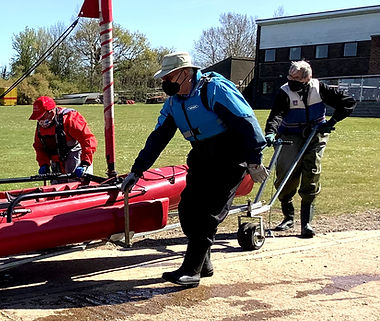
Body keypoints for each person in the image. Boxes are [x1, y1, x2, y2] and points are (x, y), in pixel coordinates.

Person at [121, 51, 267, 287]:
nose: (165, 83)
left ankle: (191, 270)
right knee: (188, 209)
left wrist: (254, 160)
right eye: (163, 79)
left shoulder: (215, 89)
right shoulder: (174, 103)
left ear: (186, 73)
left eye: (169, 77)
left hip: (230, 155)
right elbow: (158, 138)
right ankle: (203, 263)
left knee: (208, 214)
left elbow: (246, 122)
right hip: (201, 156)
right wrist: (137, 171)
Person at [264, 60, 355, 239]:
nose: (291, 80)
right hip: (289, 134)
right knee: (285, 172)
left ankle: (306, 223)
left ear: (307, 78)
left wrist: (331, 123)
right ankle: (288, 217)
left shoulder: (319, 88)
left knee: (312, 171)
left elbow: (347, 102)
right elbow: (276, 114)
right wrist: (271, 132)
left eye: (296, 78)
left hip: (315, 133)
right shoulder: (284, 92)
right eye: (290, 76)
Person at [30, 96, 97, 178]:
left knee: (76, 186)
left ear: (51, 112)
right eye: (38, 118)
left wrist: (85, 163)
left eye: (42, 117)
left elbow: (87, 139)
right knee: (57, 187)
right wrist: (44, 164)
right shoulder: (41, 126)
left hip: (74, 157)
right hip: (56, 162)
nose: (40, 120)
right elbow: (39, 146)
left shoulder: (70, 118)